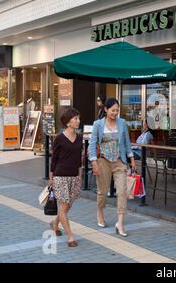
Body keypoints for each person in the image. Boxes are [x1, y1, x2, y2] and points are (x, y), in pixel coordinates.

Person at [89, 98, 137, 237]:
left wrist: (132, 159)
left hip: (119, 161)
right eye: (112, 110)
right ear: (106, 109)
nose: (115, 113)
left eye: (117, 110)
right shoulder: (98, 124)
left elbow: (127, 143)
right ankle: (100, 211)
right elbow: (92, 145)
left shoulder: (122, 123)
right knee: (102, 192)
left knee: (122, 192)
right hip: (103, 161)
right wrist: (94, 162)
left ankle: (120, 223)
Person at [49, 107, 83, 247]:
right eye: (75, 119)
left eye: (78, 118)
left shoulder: (80, 138)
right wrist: (51, 178)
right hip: (60, 176)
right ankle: (70, 236)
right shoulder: (59, 138)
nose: (78, 121)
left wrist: (80, 175)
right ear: (68, 122)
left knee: (68, 205)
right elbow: (54, 159)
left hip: (74, 176)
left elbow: (79, 158)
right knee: (63, 206)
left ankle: (55, 224)